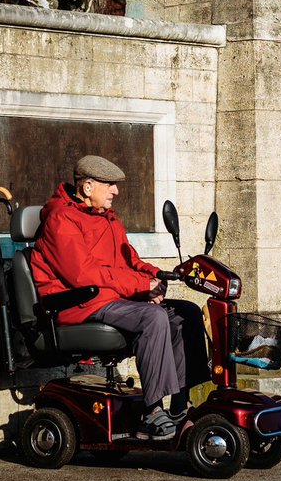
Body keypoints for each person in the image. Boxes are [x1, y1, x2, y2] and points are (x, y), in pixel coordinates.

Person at [30, 154, 210, 440]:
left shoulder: (108, 219)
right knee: (153, 316)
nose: (116, 191)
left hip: (111, 299)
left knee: (185, 313)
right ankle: (152, 413)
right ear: (88, 187)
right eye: (109, 184)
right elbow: (84, 275)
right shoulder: (61, 220)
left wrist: (159, 275)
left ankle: (180, 405)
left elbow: (130, 260)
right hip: (79, 304)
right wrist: (141, 286)